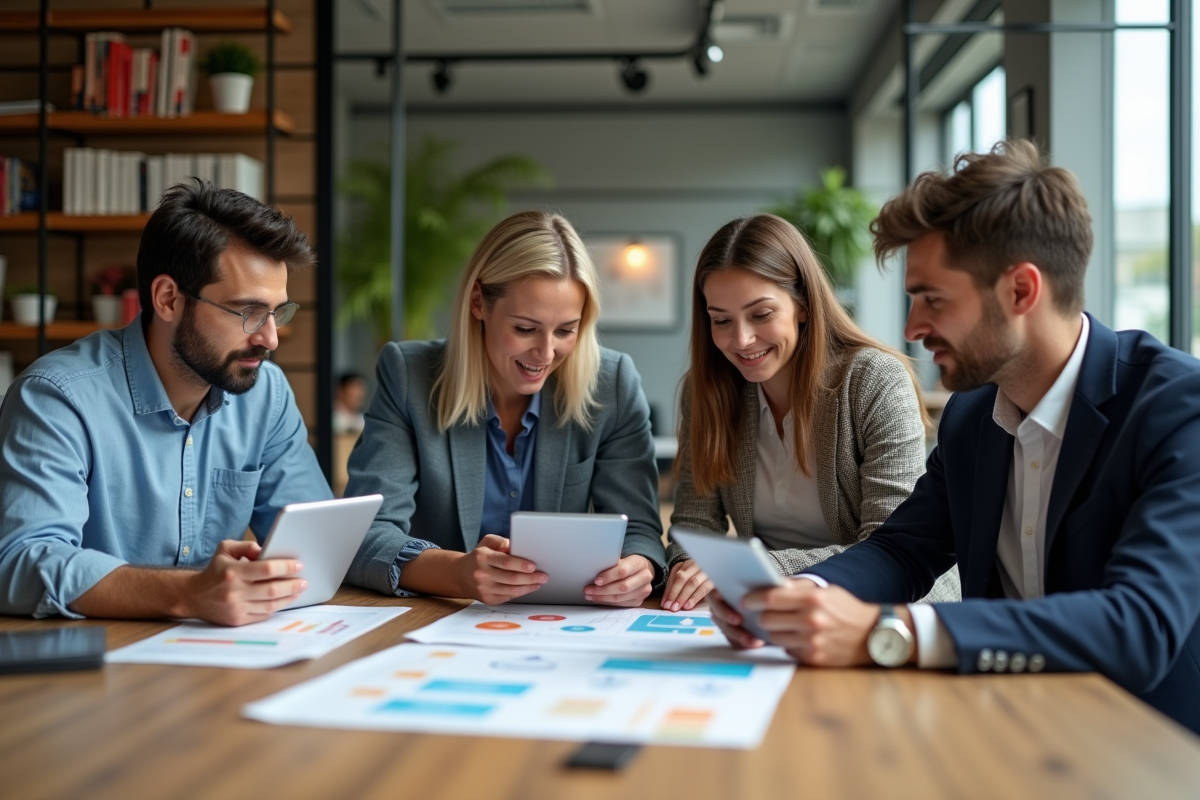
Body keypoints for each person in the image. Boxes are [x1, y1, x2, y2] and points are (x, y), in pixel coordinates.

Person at [708, 140, 1200, 735]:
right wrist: (796, 595)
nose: (913, 328)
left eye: (932, 300)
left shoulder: (1175, 407)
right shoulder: (972, 417)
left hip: (1146, 746)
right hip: (999, 723)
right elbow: (903, 550)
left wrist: (890, 633)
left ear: (1021, 291)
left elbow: (1141, 625)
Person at [0, 180, 332, 625]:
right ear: (168, 299)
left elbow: (318, 546)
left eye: (278, 312)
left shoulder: (266, 395)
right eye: (249, 312)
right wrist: (190, 593)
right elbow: (21, 563)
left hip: (223, 658)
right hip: (94, 671)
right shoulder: (57, 398)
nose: (269, 338)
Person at [344, 210, 665, 606]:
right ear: (479, 302)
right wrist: (458, 574)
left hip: (564, 622)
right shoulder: (408, 376)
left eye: (566, 330)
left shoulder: (612, 383)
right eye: (525, 329)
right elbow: (365, 535)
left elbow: (641, 531)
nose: (546, 353)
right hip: (438, 617)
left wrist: (639, 566)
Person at [662, 214, 960, 611]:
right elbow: (694, 524)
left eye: (761, 314)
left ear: (802, 305)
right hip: (771, 607)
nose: (741, 339)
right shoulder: (707, 393)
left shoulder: (874, 381)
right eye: (721, 321)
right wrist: (690, 567)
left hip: (889, 605)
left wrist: (761, 568)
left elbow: (890, 543)